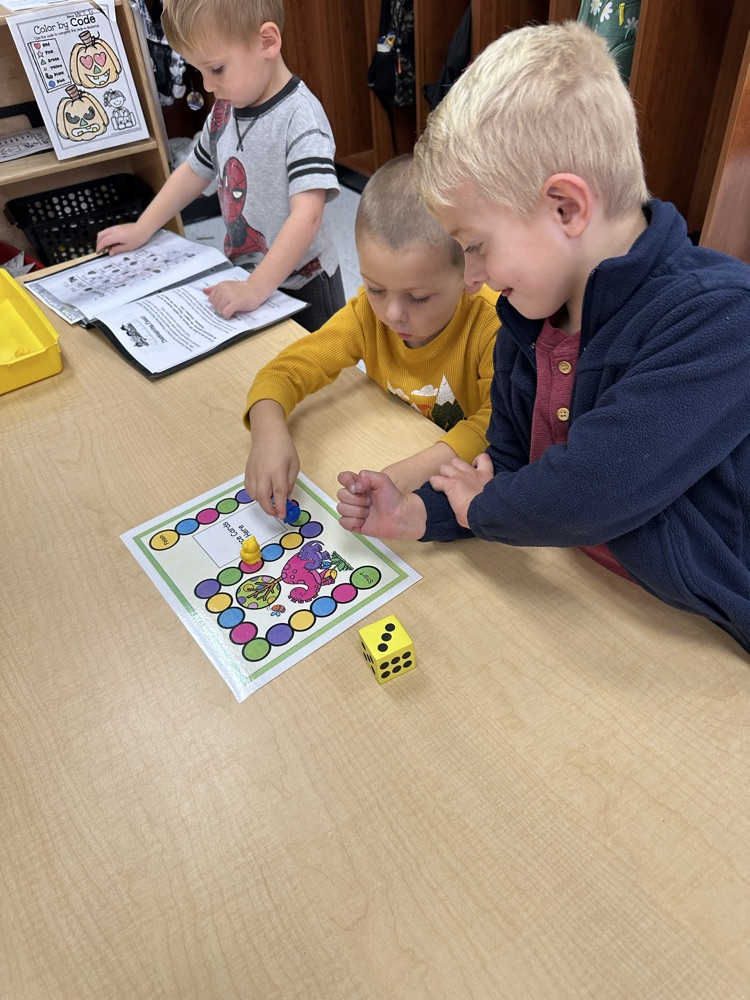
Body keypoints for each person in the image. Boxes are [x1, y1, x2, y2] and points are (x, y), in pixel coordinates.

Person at [336, 21, 750, 654]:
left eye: (477, 247)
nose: (471, 280)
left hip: (705, 635)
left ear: (566, 208)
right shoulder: (529, 320)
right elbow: (503, 466)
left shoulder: (720, 316)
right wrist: (424, 513)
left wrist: (483, 508)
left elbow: (596, 484)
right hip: (597, 606)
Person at [244, 154, 499, 517]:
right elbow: (284, 372)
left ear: (468, 276)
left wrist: (406, 474)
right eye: (376, 289)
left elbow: (496, 423)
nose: (392, 314)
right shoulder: (368, 315)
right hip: (401, 441)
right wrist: (268, 433)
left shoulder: (492, 326)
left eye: (418, 297)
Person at [96, 0, 344, 331]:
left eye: (216, 69)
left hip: (305, 283)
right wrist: (143, 227)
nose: (208, 86)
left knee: (320, 360)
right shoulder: (223, 112)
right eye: (198, 72)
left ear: (267, 42)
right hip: (247, 273)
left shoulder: (300, 118)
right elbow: (193, 171)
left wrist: (255, 288)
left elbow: (307, 216)